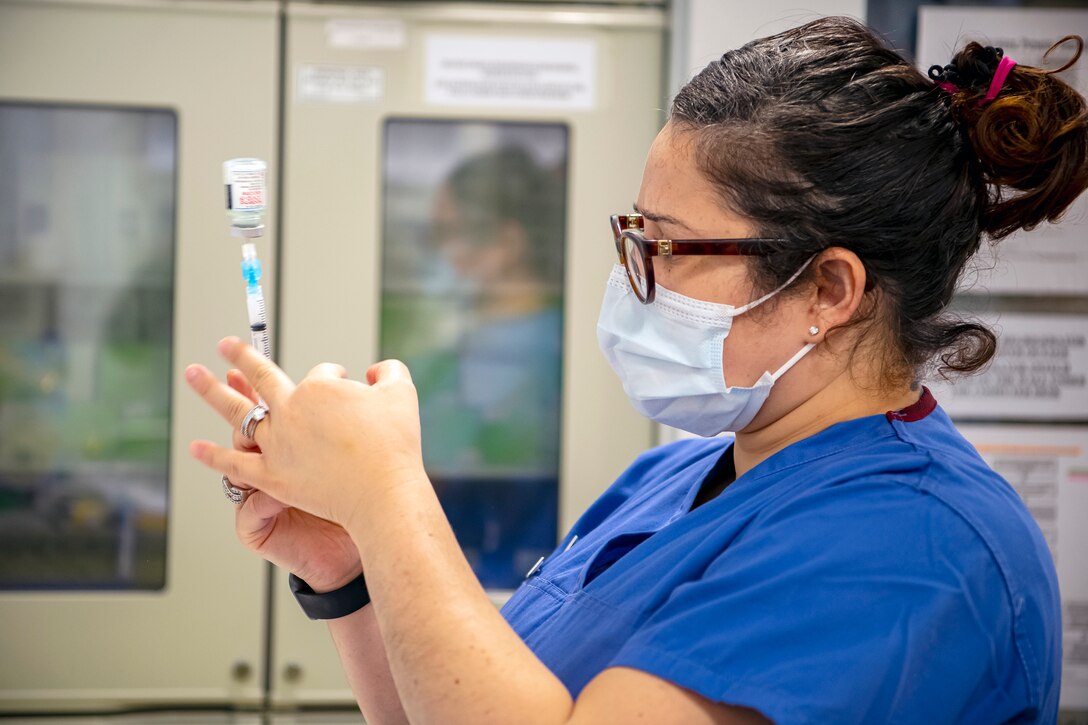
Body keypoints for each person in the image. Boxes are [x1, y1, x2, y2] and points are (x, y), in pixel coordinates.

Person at [185, 17, 1087, 724]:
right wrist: (353, 563)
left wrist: (389, 496)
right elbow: (456, 702)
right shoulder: (673, 477)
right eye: (634, 237)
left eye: (666, 248)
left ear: (828, 288)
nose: (631, 280)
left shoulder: (917, 550)